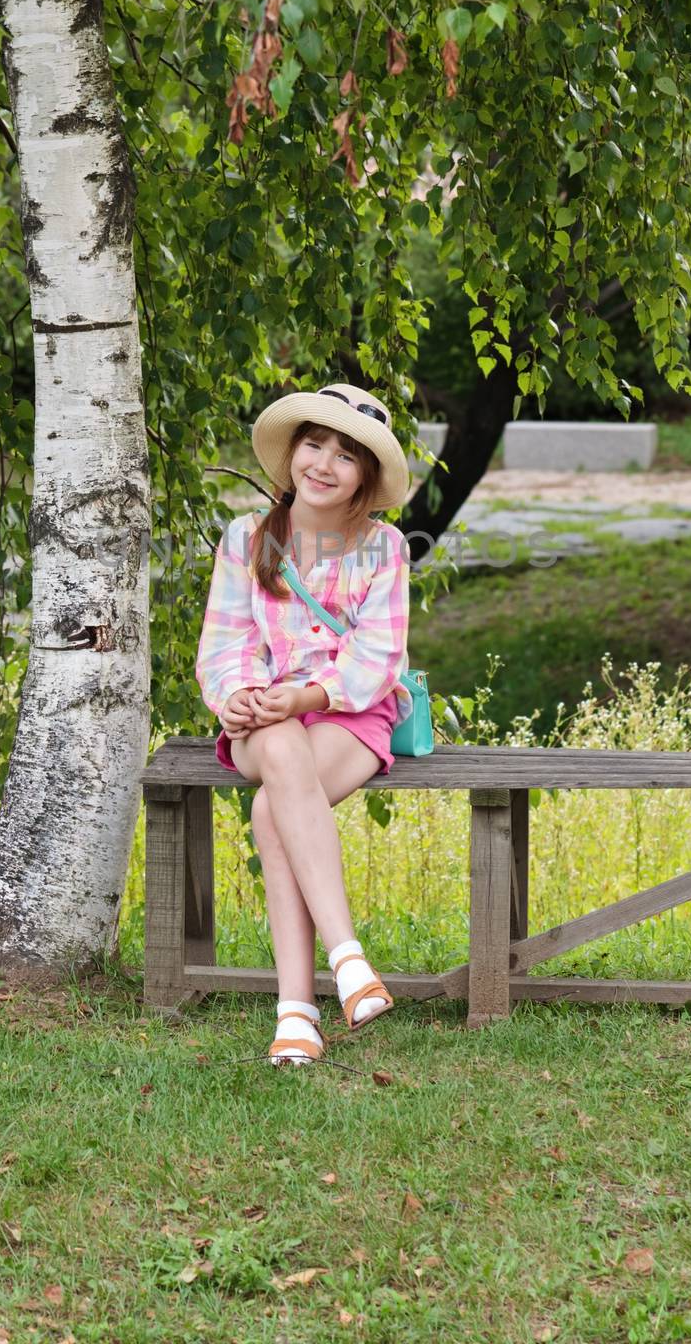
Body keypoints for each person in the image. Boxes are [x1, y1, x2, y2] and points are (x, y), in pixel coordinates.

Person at [195, 383, 413, 1066]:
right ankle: (346, 958)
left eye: (345, 456)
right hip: (262, 716)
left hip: (349, 713)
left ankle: (295, 1011)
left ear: (367, 478)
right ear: (292, 452)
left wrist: (304, 697)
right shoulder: (248, 539)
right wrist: (235, 698)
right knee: (279, 749)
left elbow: (377, 658)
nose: (322, 464)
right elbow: (225, 644)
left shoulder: (385, 548)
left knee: (272, 808)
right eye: (313, 445)